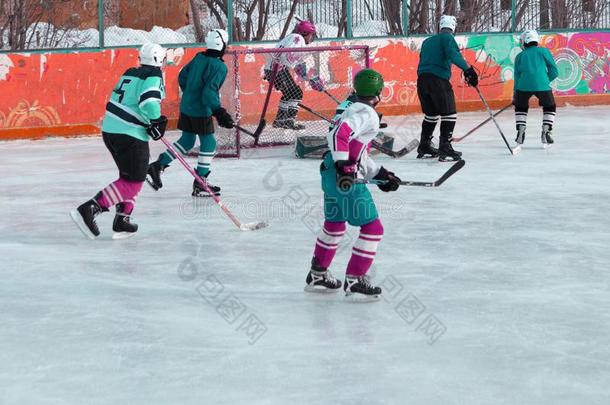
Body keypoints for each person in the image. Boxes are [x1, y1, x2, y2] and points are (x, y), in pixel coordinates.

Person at [304, 68, 401, 301]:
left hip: (330, 174)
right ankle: (356, 279)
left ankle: (318, 274)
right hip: (342, 177)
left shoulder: (350, 108)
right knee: (373, 228)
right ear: (379, 92)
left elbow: (356, 153)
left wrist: (380, 175)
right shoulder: (367, 113)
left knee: (335, 223)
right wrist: (344, 167)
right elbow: (339, 134)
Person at [71, 43, 168, 239]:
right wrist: (156, 119)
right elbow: (148, 101)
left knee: (131, 177)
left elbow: (129, 101)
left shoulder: (131, 72)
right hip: (129, 135)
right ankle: (91, 208)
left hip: (111, 131)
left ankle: (122, 219)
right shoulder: (154, 76)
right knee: (133, 180)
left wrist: (149, 121)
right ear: (158, 60)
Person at [147, 29, 234, 197]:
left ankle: (157, 166)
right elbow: (209, 93)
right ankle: (201, 182)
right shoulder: (219, 67)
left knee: (187, 141)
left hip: (187, 107)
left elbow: (182, 77)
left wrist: (190, 94)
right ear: (221, 44)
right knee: (209, 144)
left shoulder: (198, 57)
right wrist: (219, 111)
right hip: (201, 111)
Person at [416, 15, 478, 161]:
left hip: (422, 80)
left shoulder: (427, 41)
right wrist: (468, 70)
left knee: (431, 114)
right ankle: (445, 146)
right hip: (438, 80)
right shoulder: (447, 38)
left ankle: (424, 145)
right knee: (449, 113)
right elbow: (453, 55)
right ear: (453, 28)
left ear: (440, 26)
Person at [264, 20, 325, 130]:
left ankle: (280, 121)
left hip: (276, 69)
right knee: (296, 93)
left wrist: (309, 79)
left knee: (289, 93)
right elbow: (288, 56)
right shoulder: (298, 38)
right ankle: (289, 121)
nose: (312, 38)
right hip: (276, 70)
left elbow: (298, 64)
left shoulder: (295, 38)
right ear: (305, 33)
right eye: (311, 35)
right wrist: (295, 66)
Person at [513, 29, 559, 149]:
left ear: (525, 41)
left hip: (523, 86)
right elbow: (554, 71)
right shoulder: (544, 51)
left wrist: (515, 95)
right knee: (550, 106)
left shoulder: (520, 56)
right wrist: (544, 80)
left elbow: (517, 77)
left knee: (521, 107)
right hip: (542, 85)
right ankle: (546, 130)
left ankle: (521, 131)